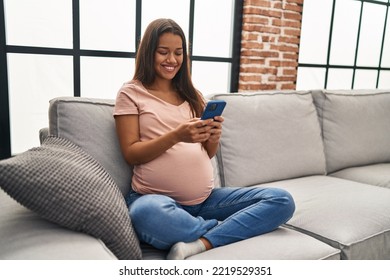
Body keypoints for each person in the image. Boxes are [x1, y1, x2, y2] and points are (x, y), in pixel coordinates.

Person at [113, 18, 295, 260]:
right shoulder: (130, 93)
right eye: (163, 52)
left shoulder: (191, 95)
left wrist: (213, 137)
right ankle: (227, 229)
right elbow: (131, 153)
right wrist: (177, 135)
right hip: (154, 199)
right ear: (148, 52)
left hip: (207, 200)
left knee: (282, 200)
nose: (172, 60)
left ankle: (199, 243)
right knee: (145, 214)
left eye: (178, 53)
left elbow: (206, 153)